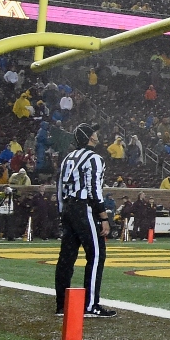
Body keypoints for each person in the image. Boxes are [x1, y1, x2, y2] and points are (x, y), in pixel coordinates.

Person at [53, 123, 116, 318]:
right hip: (84, 207)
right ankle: (90, 305)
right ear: (91, 137)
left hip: (69, 209)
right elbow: (94, 189)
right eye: (94, 132)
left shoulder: (67, 158)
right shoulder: (95, 158)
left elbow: (60, 189)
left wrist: (63, 213)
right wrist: (103, 216)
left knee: (66, 257)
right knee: (96, 255)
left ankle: (62, 305)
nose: (97, 135)